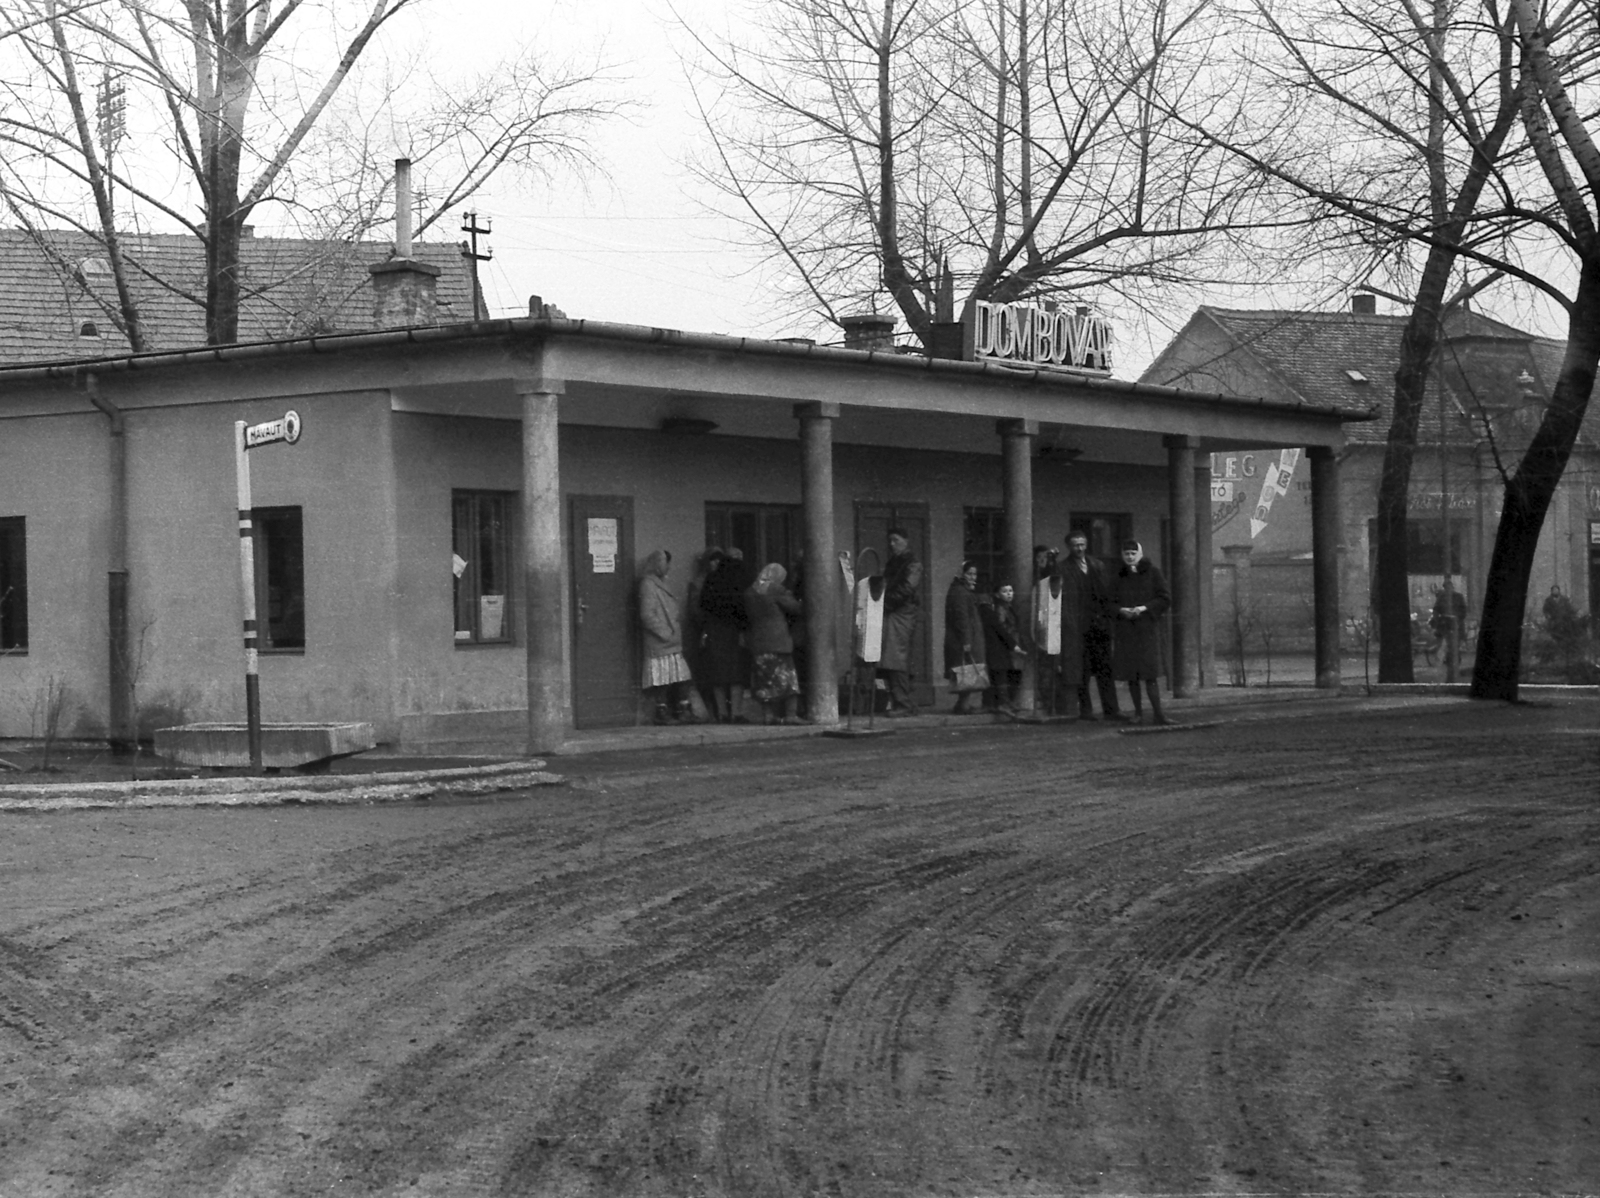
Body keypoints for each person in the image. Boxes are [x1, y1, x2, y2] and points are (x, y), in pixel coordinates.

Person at [1109, 539, 1172, 725]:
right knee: (1132, 676)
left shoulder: (1153, 573)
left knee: (1150, 675)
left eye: (1133, 554)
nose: (1129, 557)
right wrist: (1121, 611)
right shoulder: (1118, 576)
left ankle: (1159, 714)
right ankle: (1138, 713)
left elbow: (1165, 598)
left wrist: (1144, 608)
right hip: (1126, 631)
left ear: (1140, 554)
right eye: (1126, 554)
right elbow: (1108, 602)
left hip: (1147, 631)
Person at [1063, 531, 1120, 719]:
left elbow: (1107, 594)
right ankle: (1086, 710)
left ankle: (1111, 710)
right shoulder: (1063, 568)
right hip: (1079, 627)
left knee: (1105, 669)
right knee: (1083, 671)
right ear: (1069, 547)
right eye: (1075, 545)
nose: (1079, 549)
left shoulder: (1097, 565)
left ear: (1086, 545)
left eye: (1082, 544)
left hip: (1100, 625)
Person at [637, 548, 696, 725]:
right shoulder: (648, 584)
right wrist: (665, 632)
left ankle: (682, 709)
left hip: (670, 640)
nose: (668, 567)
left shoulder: (660, 582)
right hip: (661, 641)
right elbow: (647, 614)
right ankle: (662, 712)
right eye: (665, 563)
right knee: (662, 678)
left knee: (681, 676)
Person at [745, 562, 805, 725]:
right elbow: (796, 608)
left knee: (764, 682)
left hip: (758, 642)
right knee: (788, 680)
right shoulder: (776, 590)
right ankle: (791, 715)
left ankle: (768, 715)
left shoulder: (750, 591)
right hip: (778, 641)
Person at [698, 548, 751, 722]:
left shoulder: (711, 579)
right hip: (735, 630)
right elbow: (744, 607)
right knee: (736, 673)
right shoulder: (740, 578)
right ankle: (736, 713)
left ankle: (721, 713)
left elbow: (703, 604)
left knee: (718, 674)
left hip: (715, 629)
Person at [878, 528, 923, 716]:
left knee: (896, 657)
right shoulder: (894, 562)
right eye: (890, 540)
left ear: (906, 541)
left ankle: (903, 703)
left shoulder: (912, 563)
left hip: (901, 612)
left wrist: (886, 603)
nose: (891, 544)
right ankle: (902, 701)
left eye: (896, 540)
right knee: (892, 657)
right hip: (893, 611)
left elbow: (906, 588)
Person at [944, 560, 988, 714]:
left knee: (967, 671)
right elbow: (961, 618)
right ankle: (963, 705)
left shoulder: (962, 591)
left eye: (974, 574)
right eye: (969, 574)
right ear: (961, 574)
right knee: (967, 671)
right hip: (964, 639)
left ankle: (963, 703)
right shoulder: (960, 592)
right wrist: (966, 641)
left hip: (968, 637)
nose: (973, 577)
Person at [979, 579, 1023, 712]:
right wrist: (1012, 643)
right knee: (1006, 673)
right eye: (1004, 591)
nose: (1009, 594)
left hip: (1010, 643)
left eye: (1010, 591)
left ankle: (1005, 702)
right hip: (1006, 645)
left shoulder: (1008, 607)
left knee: (1011, 673)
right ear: (997, 594)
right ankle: (1004, 702)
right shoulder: (1000, 609)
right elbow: (1001, 627)